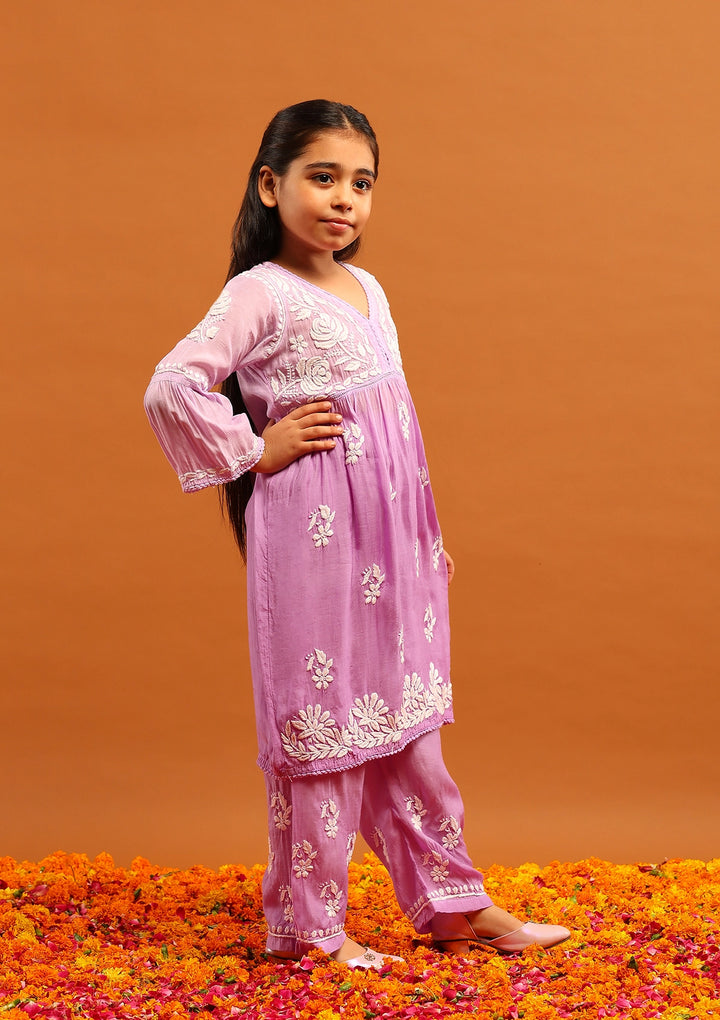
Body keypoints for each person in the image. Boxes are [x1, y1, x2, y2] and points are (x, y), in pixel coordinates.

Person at [144, 99, 570, 970]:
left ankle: (454, 903)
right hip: (314, 543)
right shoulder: (259, 291)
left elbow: (396, 429)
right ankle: (311, 928)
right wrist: (256, 448)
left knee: (411, 731)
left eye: (362, 183)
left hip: (394, 547)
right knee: (324, 731)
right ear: (272, 186)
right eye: (323, 177)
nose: (345, 198)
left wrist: (424, 537)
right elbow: (171, 386)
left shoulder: (370, 290)